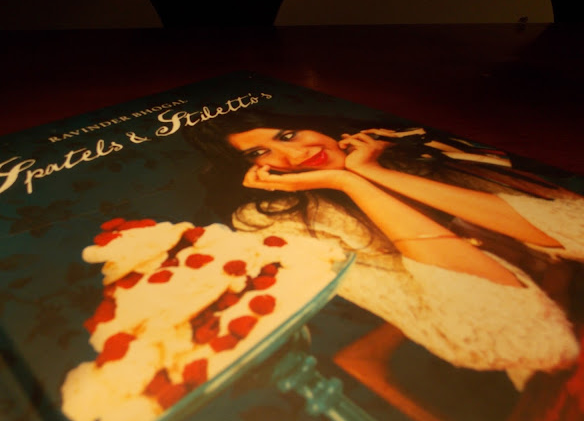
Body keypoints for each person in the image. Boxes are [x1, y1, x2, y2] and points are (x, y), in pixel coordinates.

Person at [184, 110, 583, 388]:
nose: (293, 155)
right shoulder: (281, 222)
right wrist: (350, 183)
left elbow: (575, 226)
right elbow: (527, 336)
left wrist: (373, 170)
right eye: (258, 154)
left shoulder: (403, 146)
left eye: (287, 135)